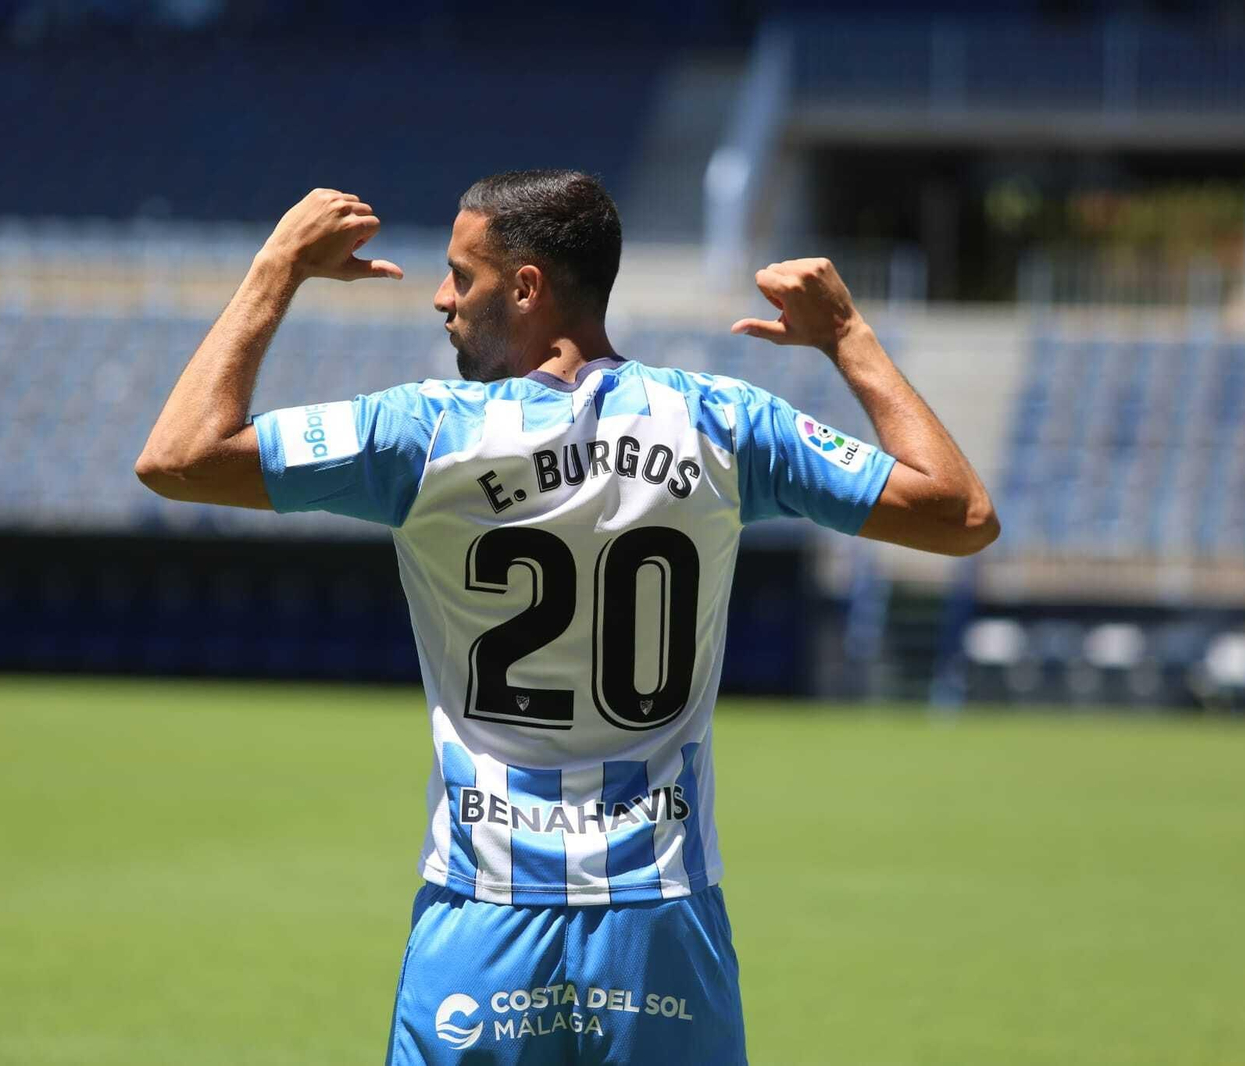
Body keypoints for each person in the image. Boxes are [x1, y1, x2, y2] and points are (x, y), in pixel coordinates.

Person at [136, 170, 998, 1065]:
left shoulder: (424, 434)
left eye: (460, 276)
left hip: (484, 913)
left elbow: (179, 458)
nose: (441, 299)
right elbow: (962, 515)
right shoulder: (725, 424)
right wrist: (848, 336)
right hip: (661, 913)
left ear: (527, 287)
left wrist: (278, 268)